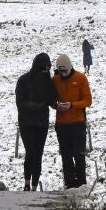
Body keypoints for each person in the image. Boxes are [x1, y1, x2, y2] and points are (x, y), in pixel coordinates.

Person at [16, 52, 57, 191]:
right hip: (27, 123)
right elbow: (20, 104)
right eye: (44, 68)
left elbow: (52, 99)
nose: (46, 71)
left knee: (38, 153)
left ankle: (33, 186)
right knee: (31, 151)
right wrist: (38, 106)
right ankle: (27, 183)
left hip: (42, 122)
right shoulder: (23, 80)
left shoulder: (47, 82)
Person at [52, 53, 92, 188]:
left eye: (65, 71)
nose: (63, 74)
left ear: (70, 67)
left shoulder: (81, 78)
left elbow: (88, 100)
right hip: (62, 125)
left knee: (79, 156)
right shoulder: (55, 80)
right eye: (60, 71)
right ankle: (69, 185)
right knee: (66, 157)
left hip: (77, 123)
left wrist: (72, 105)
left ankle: (81, 185)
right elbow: (49, 97)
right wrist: (56, 105)